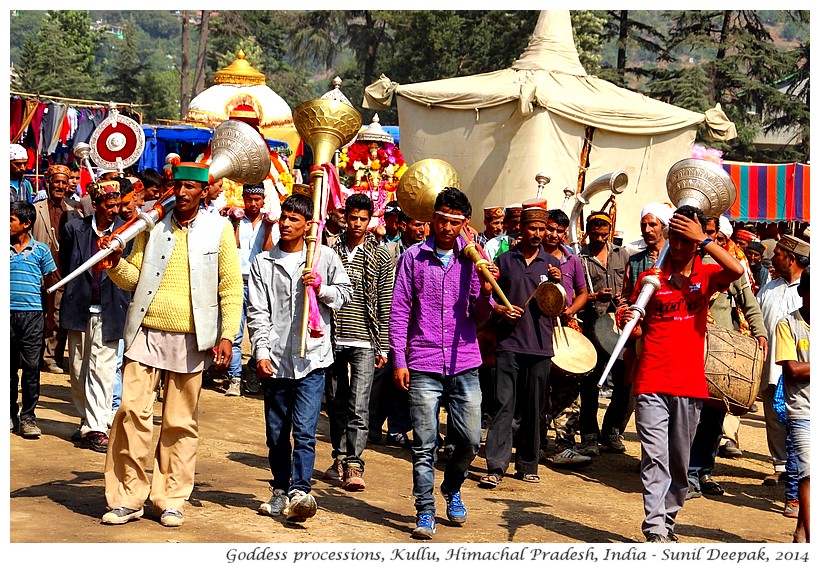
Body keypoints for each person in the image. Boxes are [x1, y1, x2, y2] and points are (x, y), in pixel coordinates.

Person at [100, 162, 243, 528]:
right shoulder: (151, 223)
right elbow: (133, 277)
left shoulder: (219, 228)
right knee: (131, 413)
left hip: (193, 338)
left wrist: (227, 335)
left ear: (203, 192)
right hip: (145, 332)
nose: (181, 194)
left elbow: (230, 287)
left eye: (189, 189)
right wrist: (115, 264)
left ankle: (171, 498)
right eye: (177, 187)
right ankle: (127, 498)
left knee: (180, 423)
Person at [619, 205, 743, 543]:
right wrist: (629, 322)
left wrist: (702, 240)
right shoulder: (650, 280)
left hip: (689, 385)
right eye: (673, 238)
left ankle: (668, 522)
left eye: (684, 240)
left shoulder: (705, 276)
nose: (677, 246)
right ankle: (655, 527)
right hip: (652, 380)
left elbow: (736, 270)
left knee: (679, 464)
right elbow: (636, 326)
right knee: (654, 458)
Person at [390, 187, 495, 540]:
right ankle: (424, 511)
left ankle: (452, 486)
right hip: (422, 362)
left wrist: (486, 289)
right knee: (424, 443)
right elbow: (400, 311)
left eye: (455, 222)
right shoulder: (413, 259)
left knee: (469, 441)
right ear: (432, 219)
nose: (447, 227)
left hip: (465, 362)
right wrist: (399, 360)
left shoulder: (473, 262)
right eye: (442, 219)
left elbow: (480, 317)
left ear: (465, 224)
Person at [246, 193, 352, 523]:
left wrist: (321, 288)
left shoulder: (324, 258)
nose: (287, 224)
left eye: (295, 219)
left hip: (313, 360)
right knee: (277, 432)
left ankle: (300, 492)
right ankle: (279, 489)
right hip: (276, 359)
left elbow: (344, 295)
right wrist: (261, 351)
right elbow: (258, 311)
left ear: (309, 225)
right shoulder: (263, 263)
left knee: (304, 431)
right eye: (285, 217)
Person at [685, 216, 767, 500]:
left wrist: (761, 334)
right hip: (688, 348)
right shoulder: (684, 263)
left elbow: (750, 305)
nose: (709, 241)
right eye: (705, 235)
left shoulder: (731, 268)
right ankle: (684, 473)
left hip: (721, 355)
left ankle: (701, 472)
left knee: (713, 417)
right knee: (687, 416)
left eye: (714, 237)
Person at [480, 207, 560, 489]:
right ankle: (496, 465)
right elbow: (487, 300)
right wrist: (501, 308)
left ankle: (527, 463)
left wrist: (557, 285)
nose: (538, 234)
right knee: (503, 404)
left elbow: (558, 307)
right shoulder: (504, 261)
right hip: (508, 343)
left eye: (542, 229)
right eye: (533, 229)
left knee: (533, 407)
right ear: (521, 230)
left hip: (539, 345)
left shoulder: (552, 266)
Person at [324, 194, 394, 491]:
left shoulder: (381, 255)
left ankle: (355, 462)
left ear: (370, 220)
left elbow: (386, 300)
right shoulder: (329, 250)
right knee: (336, 400)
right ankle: (339, 456)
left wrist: (385, 345)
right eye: (352, 218)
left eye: (363, 219)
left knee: (359, 403)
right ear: (345, 218)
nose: (357, 224)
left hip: (365, 338)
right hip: (332, 336)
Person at [59, 180, 130, 453]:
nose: (114, 210)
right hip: (79, 307)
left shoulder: (126, 232)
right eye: (109, 205)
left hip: (110, 309)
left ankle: (96, 427)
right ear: (96, 204)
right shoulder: (73, 229)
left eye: (117, 205)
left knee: (102, 371)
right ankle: (86, 420)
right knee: (77, 370)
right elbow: (68, 264)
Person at [757, 235, 809, 487]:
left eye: (778, 253)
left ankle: (801, 469)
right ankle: (780, 465)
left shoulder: (808, 290)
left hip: (801, 369)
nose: (773, 257)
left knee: (799, 420)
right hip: (770, 367)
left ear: (790, 258)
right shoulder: (768, 288)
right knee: (774, 418)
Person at [369, 210, 424, 446]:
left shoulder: (425, 254)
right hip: (388, 322)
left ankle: (397, 428)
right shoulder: (388, 252)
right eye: (417, 224)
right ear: (403, 226)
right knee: (381, 379)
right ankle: (372, 426)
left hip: (413, 326)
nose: (422, 230)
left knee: (404, 379)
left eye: (424, 225)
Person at [577, 211, 631, 453]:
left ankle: (612, 431)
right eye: (595, 234)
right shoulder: (581, 258)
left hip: (618, 324)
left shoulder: (622, 255)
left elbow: (629, 285)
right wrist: (594, 297)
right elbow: (576, 293)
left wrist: (623, 300)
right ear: (588, 233)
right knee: (590, 381)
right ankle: (588, 435)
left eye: (603, 234)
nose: (599, 239)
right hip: (592, 324)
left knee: (623, 380)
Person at [541, 208, 591, 465]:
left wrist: (571, 309)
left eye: (560, 231)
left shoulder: (572, 261)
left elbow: (582, 292)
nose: (554, 235)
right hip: (538, 330)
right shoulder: (533, 256)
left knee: (568, 389)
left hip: (565, 329)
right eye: (550, 229)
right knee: (539, 388)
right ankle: (537, 445)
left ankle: (564, 445)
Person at [11, 201, 59, 438]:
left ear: (26, 223)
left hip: (33, 317)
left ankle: (28, 417)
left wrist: (49, 319)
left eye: (11, 219)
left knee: (31, 368)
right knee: (8, 368)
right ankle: (9, 413)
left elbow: (50, 287)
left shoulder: (41, 251)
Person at [225, 182, 275, 397]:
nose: (253, 204)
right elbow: (233, 247)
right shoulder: (234, 220)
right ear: (243, 199)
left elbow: (268, 250)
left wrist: (270, 227)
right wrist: (235, 223)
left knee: (260, 333)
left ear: (263, 200)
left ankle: (253, 371)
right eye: (249, 199)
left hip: (259, 284)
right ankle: (235, 378)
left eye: (257, 200)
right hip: (237, 281)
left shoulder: (270, 223)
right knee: (235, 333)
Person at [33, 164, 81, 374]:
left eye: (64, 182)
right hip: (38, 267)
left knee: (58, 315)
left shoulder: (74, 213)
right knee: (37, 313)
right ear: (48, 183)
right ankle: (33, 355)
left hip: (62, 269)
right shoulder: (36, 209)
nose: (60, 186)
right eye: (56, 182)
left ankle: (53, 357)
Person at [774, 268, 810, 543]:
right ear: (802, 293)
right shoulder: (788, 324)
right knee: (809, 472)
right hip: (803, 410)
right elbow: (793, 371)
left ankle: (801, 531)